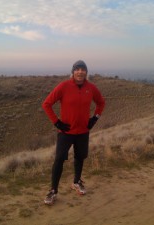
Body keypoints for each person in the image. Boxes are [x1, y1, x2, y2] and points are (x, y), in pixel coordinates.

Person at [42, 60, 105, 205]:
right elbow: (46, 104)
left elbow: (101, 103)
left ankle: (77, 182)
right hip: (66, 132)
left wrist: (94, 119)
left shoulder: (91, 88)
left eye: (83, 69)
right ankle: (53, 190)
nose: (80, 72)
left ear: (86, 73)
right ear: (73, 71)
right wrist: (57, 122)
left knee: (80, 157)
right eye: (77, 69)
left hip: (83, 131)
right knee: (58, 160)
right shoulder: (64, 86)